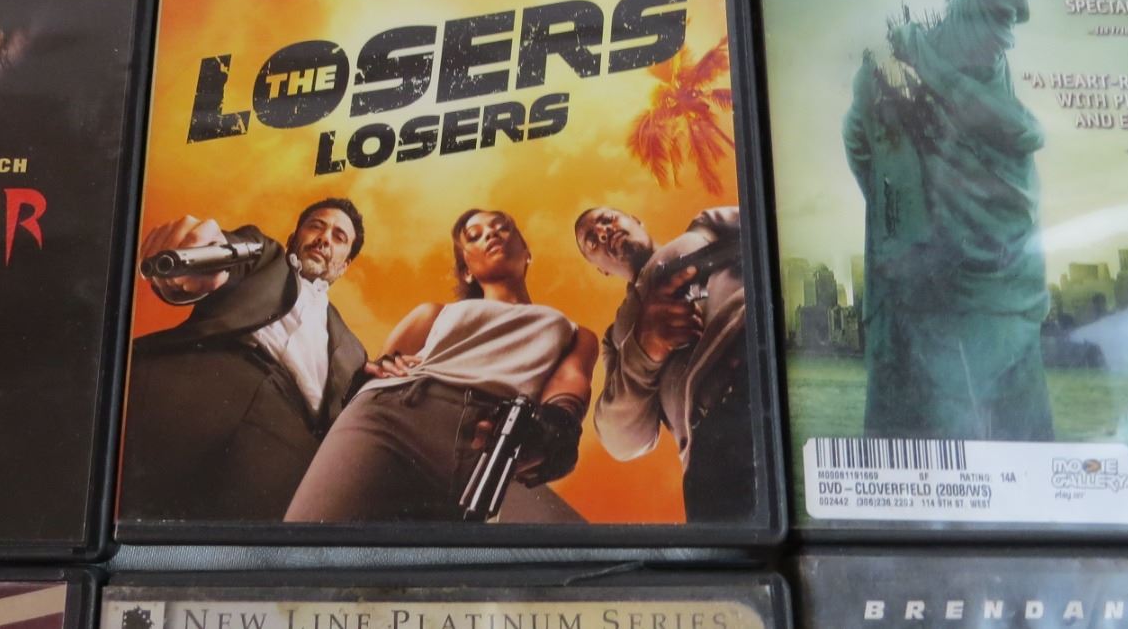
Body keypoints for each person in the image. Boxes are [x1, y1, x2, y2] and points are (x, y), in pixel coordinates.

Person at [843, 0, 1053, 441]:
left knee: (965, 425)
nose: (1001, 37)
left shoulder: (914, 71)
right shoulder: (949, 55)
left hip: (957, 281)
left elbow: (860, 147)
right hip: (957, 287)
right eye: (994, 26)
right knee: (973, 425)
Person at [285, 208, 598, 522]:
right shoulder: (433, 314)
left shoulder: (574, 333)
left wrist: (555, 429)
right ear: (466, 270)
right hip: (392, 421)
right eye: (474, 236)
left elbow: (567, 393)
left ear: (527, 252)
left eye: (502, 227)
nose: (491, 234)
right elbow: (376, 371)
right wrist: (373, 371)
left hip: (488, 445)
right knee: (315, 538)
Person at [121, 198, 377, 521]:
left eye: (339, 237)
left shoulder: (354, 350)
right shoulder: (264, 255)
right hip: (207, 380)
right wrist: (195, 256)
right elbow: (225, 252)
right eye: (316, 226)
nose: (324, 238)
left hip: (286, 438)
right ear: (294, 237)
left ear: (345, 264)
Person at [575, 205, 755, 520]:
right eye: (592, 241)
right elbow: (621, 441)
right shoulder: (616, 338)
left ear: (637, 220)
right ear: (600, 269)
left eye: (608, 219)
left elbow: (774, 227)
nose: (603, 232)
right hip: (713, 451)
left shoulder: (705, 225)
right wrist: (644, 348)